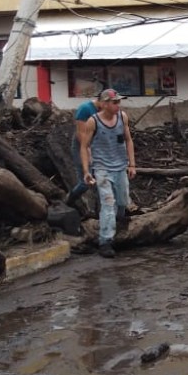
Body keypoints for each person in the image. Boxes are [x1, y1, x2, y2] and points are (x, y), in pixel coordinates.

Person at [79, 88, 136, 258]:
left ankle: (117, 227)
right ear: (104, 104)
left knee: (122, 201)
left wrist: (132, 164)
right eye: (114, 102)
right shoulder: (93, 121)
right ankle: (105, 240)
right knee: (108, 204)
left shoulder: (122, 117)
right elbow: (84, 145)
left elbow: (128, 140)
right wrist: (86, 170)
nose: (118, 105)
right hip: (102, 169)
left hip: (120, 168)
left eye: (119, 102)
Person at [65, 93, 105, 206]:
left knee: (101, 180)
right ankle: (69, 200)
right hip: (81, 146)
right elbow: (80, 133)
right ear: (101, 101)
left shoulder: (106, 111)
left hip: (97, 145)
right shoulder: (85, 109)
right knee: (85, 182)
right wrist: (88, 151)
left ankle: (102, 209)